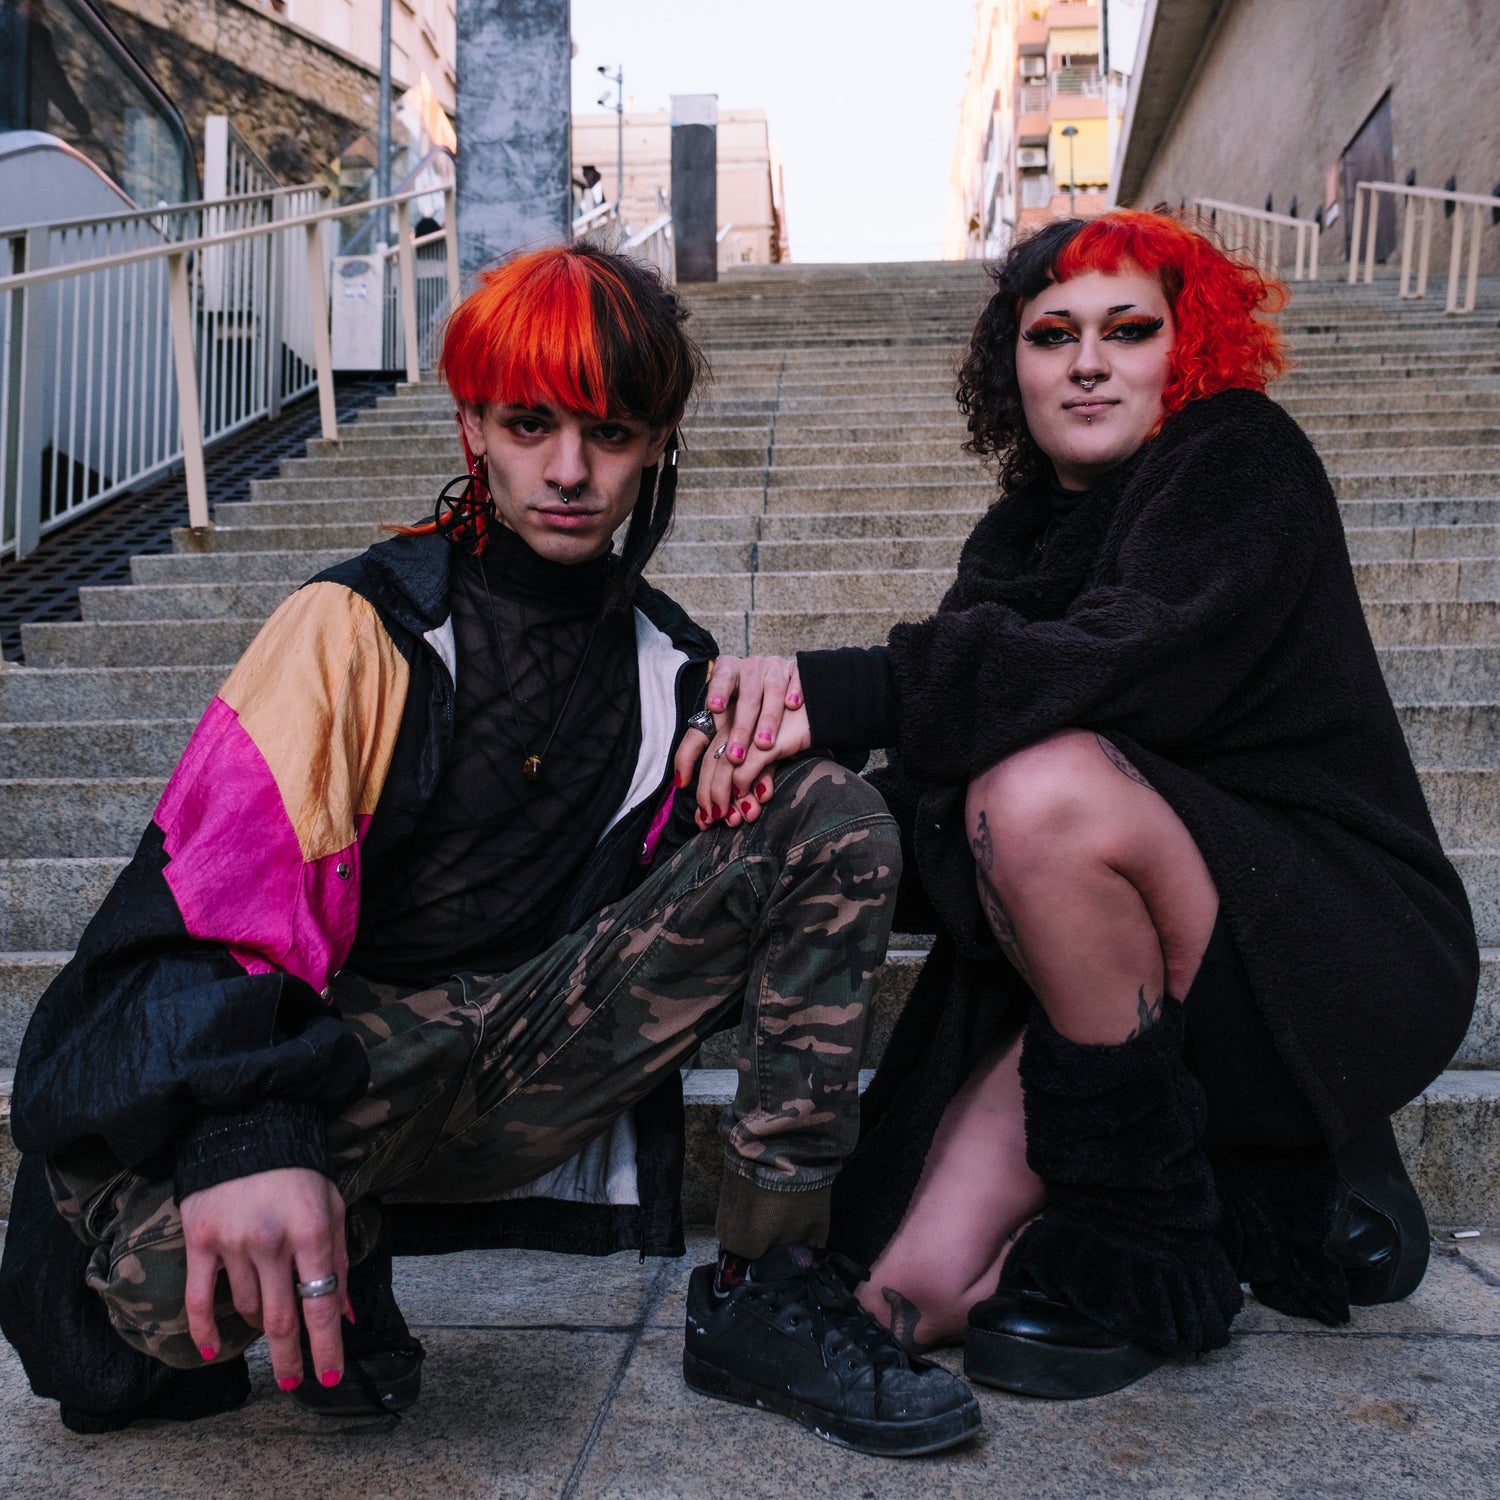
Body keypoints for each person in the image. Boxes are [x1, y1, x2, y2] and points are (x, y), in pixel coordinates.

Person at [0, 243, 981, 1455]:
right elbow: (204, 918)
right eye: (529, 424)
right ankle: (343, 1256)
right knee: (156, 1294)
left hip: (522, 1055)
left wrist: (767, 772)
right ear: (472, 428)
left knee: (827, 812)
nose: (568, 471)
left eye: (611, 433)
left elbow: (727, 892)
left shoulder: (672, 669)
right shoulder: (354, 629)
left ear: (659, 441)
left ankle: (764, 1289)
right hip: (340, 1074)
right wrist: (253, 1136)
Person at [677, 211, 1479, 1399]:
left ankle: (1148, 1233)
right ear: (1015, 363)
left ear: (1188, 345)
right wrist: (790, 789)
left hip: (1329, 947)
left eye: (1129, 329)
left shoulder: (1239, 458)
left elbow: (1126, 658)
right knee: (907, 1296)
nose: (1089, 361)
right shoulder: (1011, 546)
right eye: (1053, 334)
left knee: (1042, 790)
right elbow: (953, 813)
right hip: (1106, 975)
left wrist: (842, 691)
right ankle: (1258, 1184)